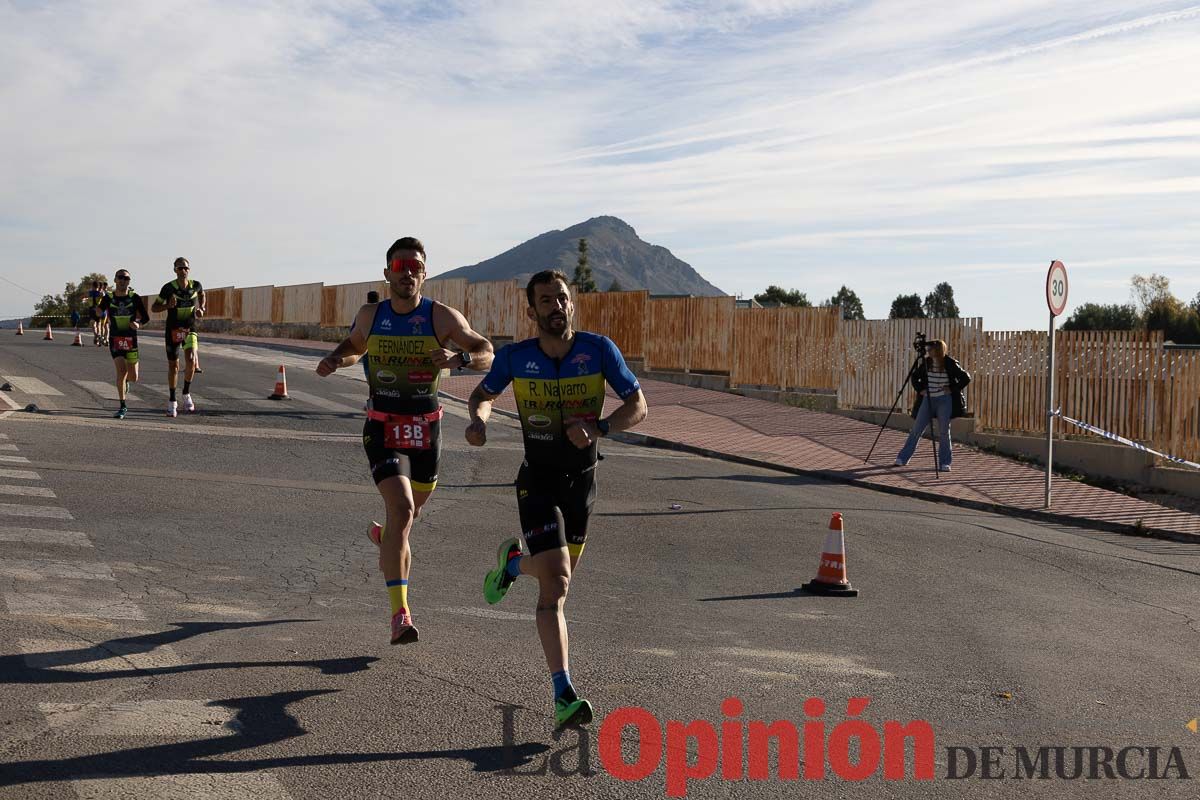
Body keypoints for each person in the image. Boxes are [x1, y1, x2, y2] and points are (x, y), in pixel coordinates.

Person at [467, 269, 647, 728]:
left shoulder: (599, 350)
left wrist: (601, 428)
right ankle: (563, 693)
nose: (556, 306)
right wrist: (481, 421)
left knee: (556, 589)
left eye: (562, 298)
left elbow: (638, 406)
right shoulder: (515, 357)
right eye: (546, 300)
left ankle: (512, 565)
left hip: (582, 483)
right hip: (537, 478)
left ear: (572, 304)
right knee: (557, 578)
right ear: (532, 311)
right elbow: (481, 395)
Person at [316, 237, 493, 645]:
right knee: (402, 507)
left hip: (426, 429)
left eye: (415, 266)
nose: (407, 272)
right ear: (387, 273)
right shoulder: (371, 314)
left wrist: (459, 359)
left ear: (424, 275)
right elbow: (353, 348)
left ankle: (386, 537)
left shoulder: (441, 318)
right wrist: (334, 360)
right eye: (400, 266)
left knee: (403, 523)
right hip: (382, 426)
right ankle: (400, 614)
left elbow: (486, 350)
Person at [894, 338, 971, 471]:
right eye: (928, 349)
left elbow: (966, 377)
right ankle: (903, 458)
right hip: (928, 399)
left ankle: (945, 463)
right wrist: (920, 389)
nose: (928, 351)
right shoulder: (926, 362)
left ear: (938, 350)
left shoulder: (949, 363)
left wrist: (952, 389)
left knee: (944, 432)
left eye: (931, 349)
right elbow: (914, 377)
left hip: (944, 400)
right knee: (917, 429)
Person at [152, 258, 206, 417]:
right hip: (173, 329)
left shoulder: (196, 285)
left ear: (189, 269)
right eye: (180, 268)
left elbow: (203, 294)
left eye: (185, 268)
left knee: (190, 359)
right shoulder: (168, 288)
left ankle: (186, 394)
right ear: (175, 270)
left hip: (190, 327)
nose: (183, 270)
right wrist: (167, 306)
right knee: (173, 366)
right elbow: (154, 308)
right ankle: (172, 400)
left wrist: (202, 307)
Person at [99, 269, 150, 419]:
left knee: (133, 376)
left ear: (129, 281)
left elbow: (145, 318)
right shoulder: (108, 298)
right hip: (115, 339)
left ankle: (128, 381)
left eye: (126, 278)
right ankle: (122, 406)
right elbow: (98, 312)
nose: (123, 280)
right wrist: (95, 311)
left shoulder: (135, 298)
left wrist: (138, 323)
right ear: (115, 280)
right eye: (120, 277)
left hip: (131, 340)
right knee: (121, 371)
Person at [88, 281, 105, 346]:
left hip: (94, 310)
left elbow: (82, 296)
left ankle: (97, 335)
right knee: (98, 324)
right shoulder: (94, 293)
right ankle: (98, 336)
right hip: (97, 310)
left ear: (93, 286)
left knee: (93, 323)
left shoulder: (94, 293)